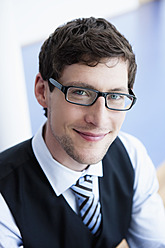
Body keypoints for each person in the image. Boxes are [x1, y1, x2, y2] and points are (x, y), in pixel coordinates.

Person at [0, 17, 165, 248]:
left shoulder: (131, 155)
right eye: (80, 93)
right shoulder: (4, 197)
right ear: (42, 91)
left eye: (115, 96)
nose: (99, 119)